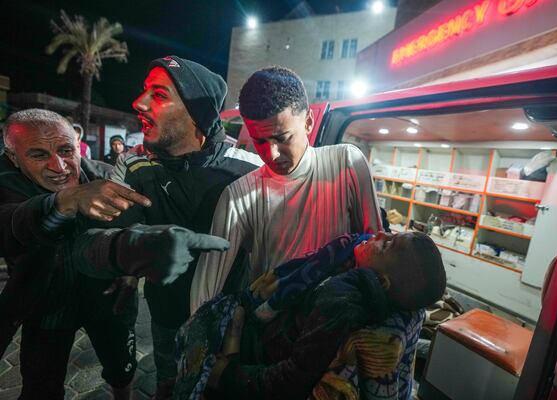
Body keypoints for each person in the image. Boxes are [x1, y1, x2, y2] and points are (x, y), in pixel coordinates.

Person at [66, 55, 262, 399]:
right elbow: (96, 244)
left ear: (197, 113)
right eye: (145, 92)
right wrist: (126, 255)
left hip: (229, 326)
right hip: (166, 317)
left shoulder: (250, 170)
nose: (138, 103)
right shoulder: (133, 163)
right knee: (169, 387)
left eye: (158, 95)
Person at [190, 66, 382, 313]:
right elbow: (205, 288)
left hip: (338, 327)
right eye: (259, 141)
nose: (271, 154)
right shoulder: (238, 196)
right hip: (270, 336)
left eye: (282, 138)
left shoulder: (347, 163)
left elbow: (377, 255)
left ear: (309, 122)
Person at [177, 231, 446, 400]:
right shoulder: (347, 269)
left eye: (386, 245)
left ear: (382, 282)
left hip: (257, 358)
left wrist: (229, 374)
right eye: (389, 233)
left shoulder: (341, 304)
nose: (378, 234)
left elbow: (295, 377)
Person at [0, 109, 148, 399]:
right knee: (40, 387)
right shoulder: (5, 186)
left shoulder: (110, 178)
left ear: (77, 144)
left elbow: (138, 229)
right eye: (39, 155)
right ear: (14, 158)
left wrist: (131, 275)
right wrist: (62, 203)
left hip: (108, 301)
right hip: (46, 307)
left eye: (66, 150)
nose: (59, 166)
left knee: (122, 368)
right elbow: (9, 224)